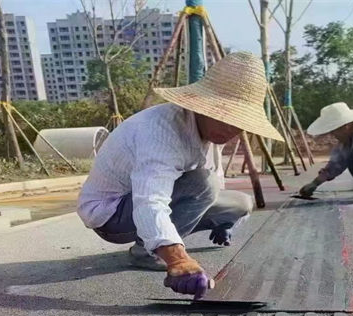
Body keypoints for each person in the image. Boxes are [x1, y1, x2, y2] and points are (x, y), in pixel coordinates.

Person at [77, 52, 282, 299]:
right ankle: (147, 252)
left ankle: (160, 240)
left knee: (240, 204)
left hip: (146, 202)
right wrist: (177, 259)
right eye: (225, 117)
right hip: (111, 216)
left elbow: (215, 185)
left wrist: (223, 221)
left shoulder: (208, 133)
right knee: (202, 183)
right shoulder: (162, 133)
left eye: (239, 122)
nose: (232, 129)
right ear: (203, 106)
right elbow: (149, 201)